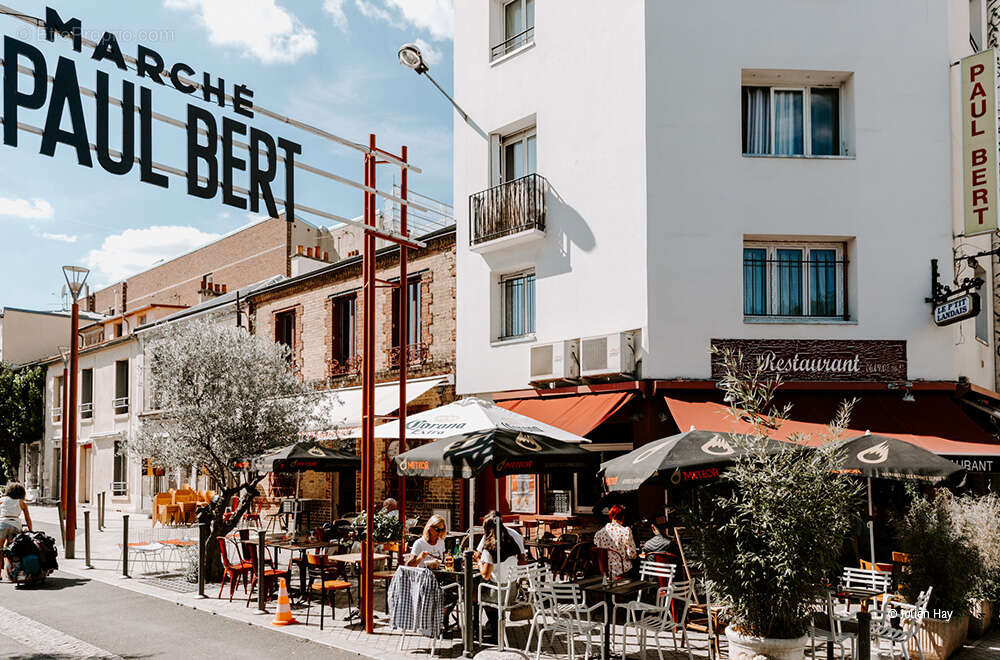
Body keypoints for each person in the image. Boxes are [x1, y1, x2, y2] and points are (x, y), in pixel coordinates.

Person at [474, 515, 523, 643]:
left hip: (498, 594)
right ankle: (494, 626)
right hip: (512, 591)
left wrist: (479, 561)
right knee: (484, 588)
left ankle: (477, 629)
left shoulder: (490, 547)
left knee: (473, 595)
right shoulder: (512, 542)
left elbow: (485, 574)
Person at [593, 504, 637, 578]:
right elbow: (632, 555)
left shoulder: (599, 534)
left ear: (611, 516)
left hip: (604, 572)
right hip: (621, 571)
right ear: (623, 517)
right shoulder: (625, 531)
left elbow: (598, 551)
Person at [0, 483, 32, 579]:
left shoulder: (1, 500)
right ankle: (13, 571)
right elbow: (28, 519)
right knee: (13, 549)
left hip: (2, 524)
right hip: (15, 526)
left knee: (0, 549)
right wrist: (31, 531)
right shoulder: (22, 502)